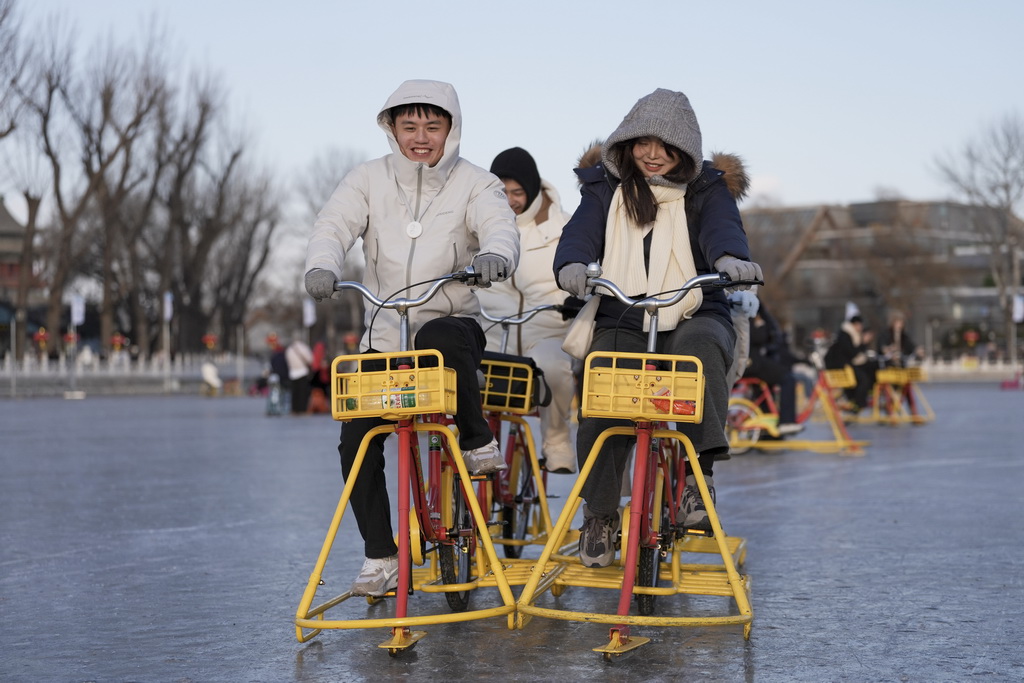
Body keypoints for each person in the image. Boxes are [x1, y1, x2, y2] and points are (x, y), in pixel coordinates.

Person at [303, 80, 520, 596]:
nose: (421, 137)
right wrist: (322, 264)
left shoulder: (476, 182)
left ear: (451, 129)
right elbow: (333, 225)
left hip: (452, 322)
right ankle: (381, 555)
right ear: (392, 129)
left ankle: (476, 438)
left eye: (432, 126)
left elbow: (499, 224)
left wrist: (495, 254)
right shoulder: (367, 179)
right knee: (356, 441)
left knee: (440, 335)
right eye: (409, 126)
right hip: (385, 336)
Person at [553, 88, 762, 568]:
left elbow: (722, 228)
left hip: (694, 308)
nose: (652, 154)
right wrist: (573, 263)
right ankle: (600, 512)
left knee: (700, 350)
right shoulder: (605, 187)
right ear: (627, 143)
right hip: (624, 313)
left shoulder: (706, 188)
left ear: (684, 150)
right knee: (604, 382)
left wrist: (730, 259)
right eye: (643, 143)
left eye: (666, 145)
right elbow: (581, 231)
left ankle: (696, 479)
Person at [476, 147, 578, 474]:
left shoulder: (564, 228)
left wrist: (576, 297)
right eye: (501, 192)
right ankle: (472, 446)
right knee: (459, 367)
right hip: (492, 332)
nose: (510, 201)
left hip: (546, 330)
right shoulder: (477, 227)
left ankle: (557, 444)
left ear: (532, 189)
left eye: (517, 192)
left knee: (553, 366)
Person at [742, 301, 803, 434]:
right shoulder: (748, 311)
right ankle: (787, 421)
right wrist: (761, 324)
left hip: (750, 362)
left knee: (765, 389)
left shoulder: (739, 304)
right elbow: (758, 337)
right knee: (788, 379)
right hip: (751, 362)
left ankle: (768, 433)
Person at [824, 314, 876, 413]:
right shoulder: (846, 335)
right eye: (860, 325)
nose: (861, 328)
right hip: (840, 367)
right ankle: (858, 403)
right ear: (855, 324)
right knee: (862, 379)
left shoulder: (849, 335)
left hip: (845, 366)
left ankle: (858, 401)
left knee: (869, 370)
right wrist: (863, 343)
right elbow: (852, 353)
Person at [285, 334, 314, 413]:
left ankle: (294, 409)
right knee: (303, 393)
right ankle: (302, 409)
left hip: (293, 373)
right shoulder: (303, 347)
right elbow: (310, 359)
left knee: (294, 393)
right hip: (302, 371)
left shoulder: (289, 349)